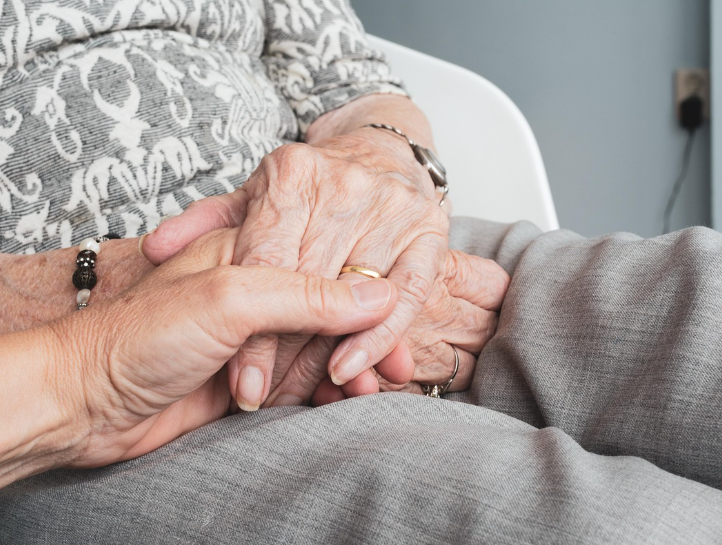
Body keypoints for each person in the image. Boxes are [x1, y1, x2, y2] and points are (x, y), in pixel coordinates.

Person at [1, 1, 722, 543]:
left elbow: (355, 83)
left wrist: (377, 171)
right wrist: (101, 299)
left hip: (357, 238)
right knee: (617, 526)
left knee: (701, 304)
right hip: (71, 371)